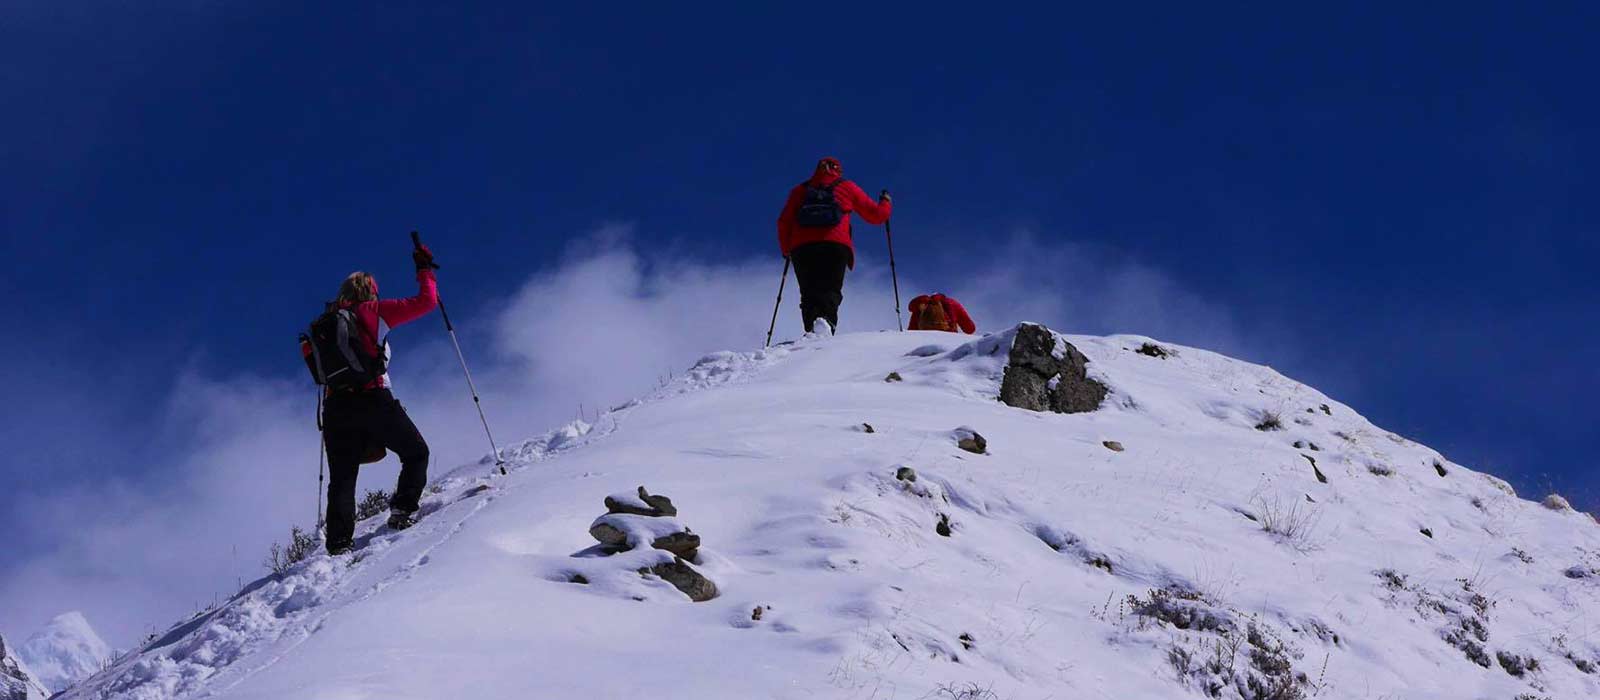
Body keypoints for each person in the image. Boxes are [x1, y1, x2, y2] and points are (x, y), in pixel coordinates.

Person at [319, 245, 439, 555]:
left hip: (334, 406)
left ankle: (338, 544)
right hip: (372, 398)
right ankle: (402, 510)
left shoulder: (327, 323)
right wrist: (424, 270)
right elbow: (427, 302)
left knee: (342, 478)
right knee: (416, 452)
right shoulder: (373, 312)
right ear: (370, 292)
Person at [776, 156, 892, 335]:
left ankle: (811, 329)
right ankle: (826, 325)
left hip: (803, 247)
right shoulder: (846, 186)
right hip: (835, 244)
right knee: (830, 289)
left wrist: (786, 250)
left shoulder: (800, 191)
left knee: (809, 291)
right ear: (838, 170)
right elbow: (875, 215)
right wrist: (886, 203)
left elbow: (784, 222)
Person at [908, 293, 976, 334]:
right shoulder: (952, 303)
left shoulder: (920, 306)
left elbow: (911, 332)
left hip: (923, 344)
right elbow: (970, 329)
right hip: (949, 339)